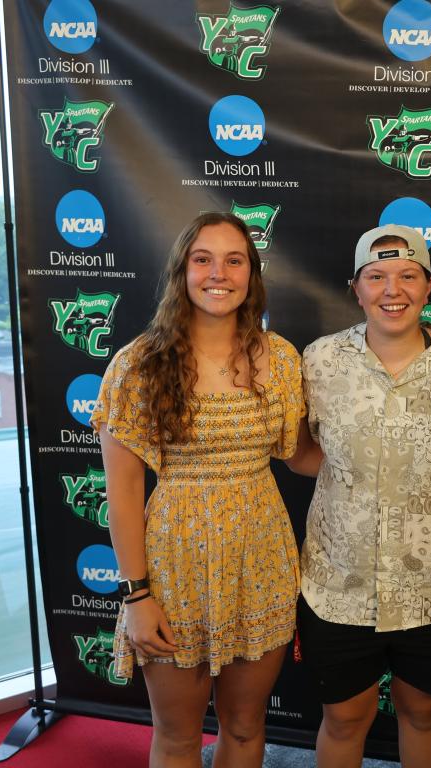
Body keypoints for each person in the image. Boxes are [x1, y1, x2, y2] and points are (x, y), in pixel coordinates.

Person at [92, 212, 318, 768]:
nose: (219, 274)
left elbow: (305, 456)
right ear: (181, 273)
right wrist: (138, 597)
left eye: (234, 260)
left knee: (244, 728)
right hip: (173, 569)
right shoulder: (137, 366)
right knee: (177, 736)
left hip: (260, 561)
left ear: (251, 275)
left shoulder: (282, 359)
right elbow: (120, 493)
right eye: (203, 260)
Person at [296, 224, 431, 768]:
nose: (391, 289)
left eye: (407, 275)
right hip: (338, 585)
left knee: (422, 713)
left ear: (428, 286)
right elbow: (301, 452)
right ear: (356, 288)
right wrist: (359, 476)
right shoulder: (320, 361)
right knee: (344, 719)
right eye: (376, 276)